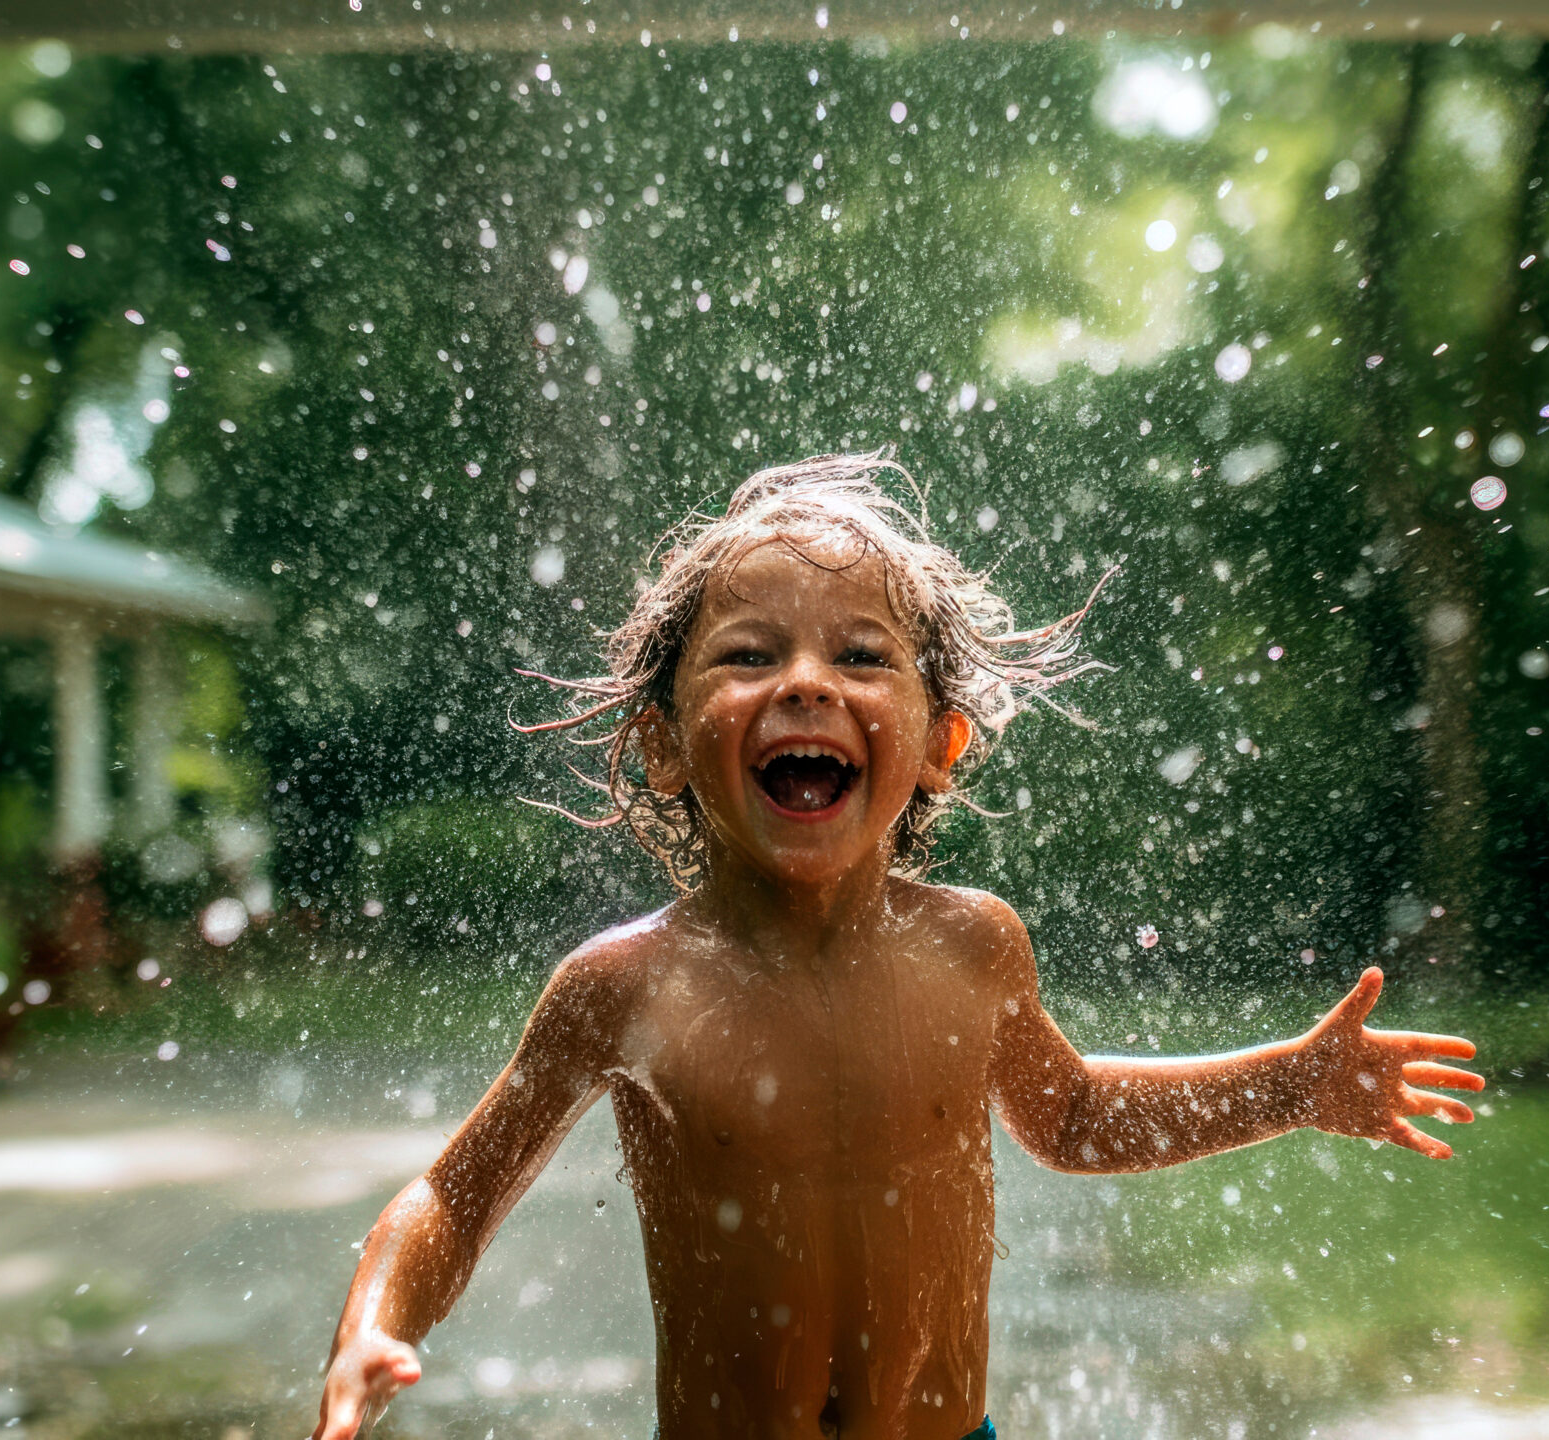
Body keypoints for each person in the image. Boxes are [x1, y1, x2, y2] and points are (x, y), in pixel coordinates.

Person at [312, 453, 1483, 1440]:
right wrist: (379, 1320)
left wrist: (1288, 1083)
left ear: (940, 744)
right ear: (662, 745)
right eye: (747, 656)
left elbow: (1070, 1119)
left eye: (863, 657)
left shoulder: (972, 949)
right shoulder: (627, 986)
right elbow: (453, 1200)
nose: (807, 684)